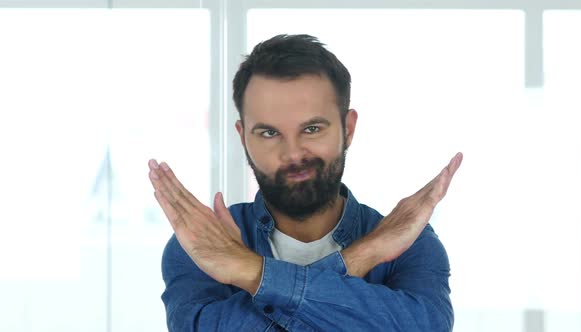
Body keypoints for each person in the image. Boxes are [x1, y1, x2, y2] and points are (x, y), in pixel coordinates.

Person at [148, 34, 462, 332]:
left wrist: (251, 272)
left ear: (348, 128)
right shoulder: (201, 244)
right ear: (243, 138)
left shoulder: (409, 242)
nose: (293, 153)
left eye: (312, 129)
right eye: (270, 133)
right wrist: (361, 257)